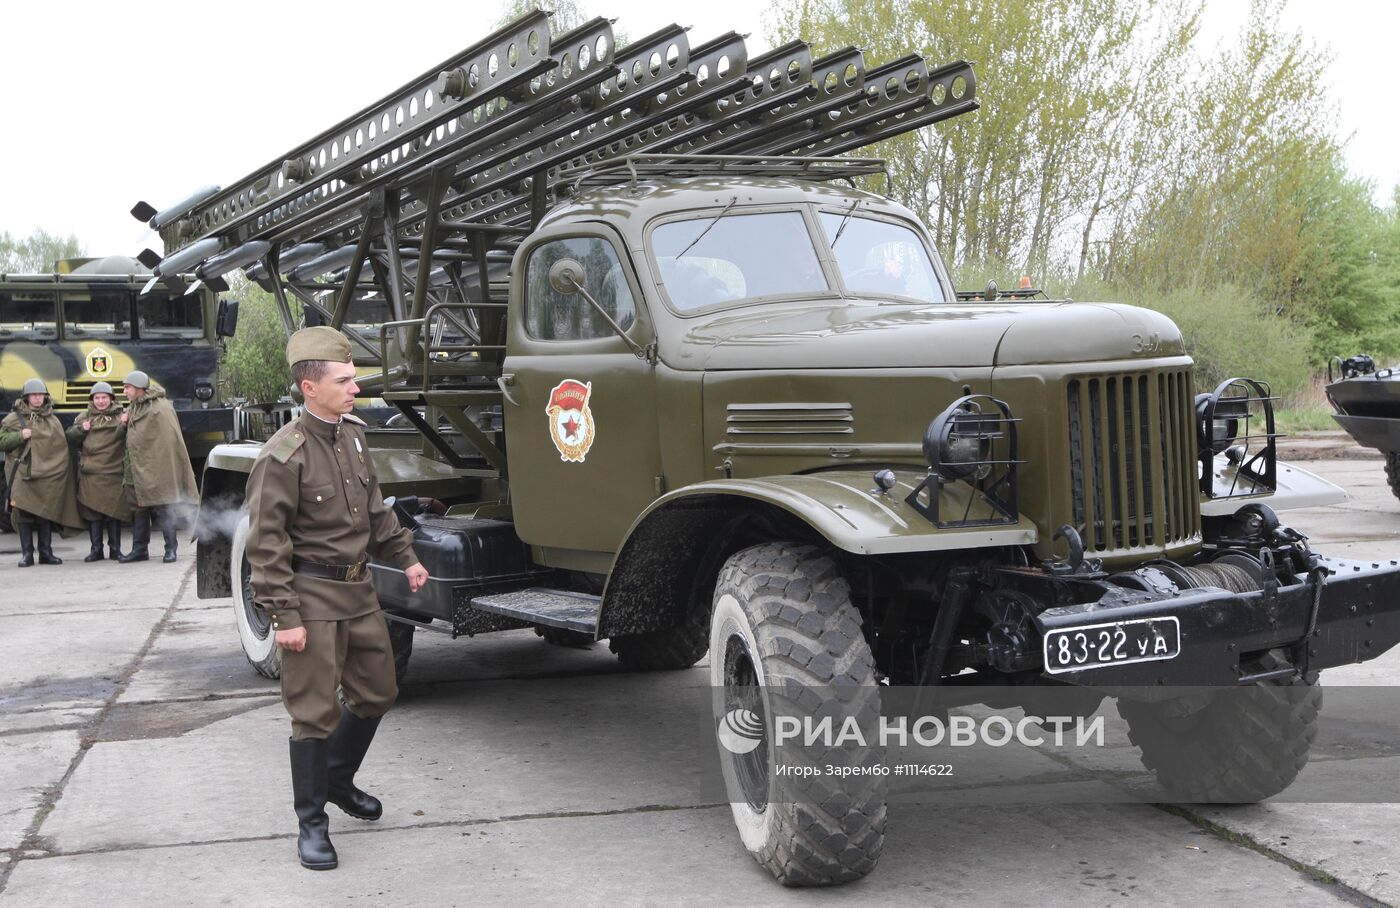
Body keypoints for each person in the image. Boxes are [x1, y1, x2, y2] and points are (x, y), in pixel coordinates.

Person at [245, 326, 429, 871]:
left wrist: (407, 556)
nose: (357, 389)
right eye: (345, 380)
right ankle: (312, 825)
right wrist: (283, 615)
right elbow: (266, 543)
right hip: (311, 596)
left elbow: (375, 508)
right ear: (309, 387)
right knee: (313, 713)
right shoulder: (283, 455)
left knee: (378, 691)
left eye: (355, 379)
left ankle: (336, 779)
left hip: (358, 589)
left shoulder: (353, 435)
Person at [116, 371, 199, 563]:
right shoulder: (133, 408)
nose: (125, 391)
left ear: (138, 388)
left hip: (158, 465)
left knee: (164, 506)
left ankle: (171, 549)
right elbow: (125, 435)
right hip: (135, 466)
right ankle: (139, 550)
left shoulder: (160, 407)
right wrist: (123, 423)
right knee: (138, 509)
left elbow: (169, 439)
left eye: (127, 387)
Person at [0, 378, 83, 566]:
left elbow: (60, 448)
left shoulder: (52, 420)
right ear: (26, 397)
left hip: (48, 477)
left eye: (41, 395)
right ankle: (27, 555)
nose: (38, 399)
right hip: (23, 475)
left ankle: (46, 553)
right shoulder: (13, 419)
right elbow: (2, 442)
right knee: (24, 516)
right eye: (34, 395)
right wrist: (20, 435)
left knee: (45, 515)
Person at [66, 381, 132, 561]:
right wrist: (81, 429)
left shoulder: (122, 416)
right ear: (92, 399)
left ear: (111, 399)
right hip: (91, 473)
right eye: (97, 398)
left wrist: (125, 424)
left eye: (104, 397)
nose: (101, 401)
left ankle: (115, 549)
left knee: (114, 513)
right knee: (93, 513)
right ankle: (96, 549)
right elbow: (70, 438)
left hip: (114, 472)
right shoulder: (84, 417)